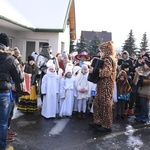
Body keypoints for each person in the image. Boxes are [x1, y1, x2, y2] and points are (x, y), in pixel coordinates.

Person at [0, 33, 24, 150]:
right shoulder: (11, 59)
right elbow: (19, 79)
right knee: (3, 123)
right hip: (3, 93)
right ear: (7, 46)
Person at [89, 41, 117, 132]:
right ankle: (98, 121)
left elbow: (106, 72)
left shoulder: (108, 59)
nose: (100, 52)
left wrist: (95, 70)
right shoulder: (108, 58)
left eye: (101, 50)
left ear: (106, 50)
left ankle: (106, 125)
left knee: (105, 105)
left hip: (106, 85)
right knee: (97, 103)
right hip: (102, 84)